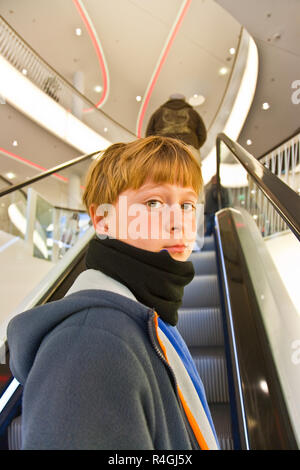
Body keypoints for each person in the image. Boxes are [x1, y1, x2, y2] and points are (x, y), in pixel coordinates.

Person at [7, 136, 219, 450]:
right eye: (153, 203)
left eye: (187, 204)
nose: (179, 223)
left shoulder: (148, 317)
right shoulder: (89, 345)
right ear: (103, 219)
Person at [145, 93, 207, 165]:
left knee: (164, 176)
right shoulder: (193, 113)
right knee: (191, 175)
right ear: (184, 101)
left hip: (163, 150)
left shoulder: (158, 112)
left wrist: (156, 147)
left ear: (169, 100)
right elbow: (202, 135)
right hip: (189, 150)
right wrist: (194, 145)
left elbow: (149, 135)